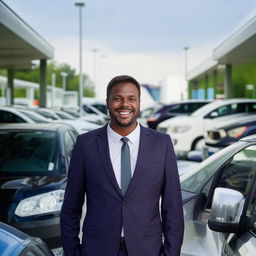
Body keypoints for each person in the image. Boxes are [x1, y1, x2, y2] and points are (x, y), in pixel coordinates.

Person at [60, 75, 184, 256]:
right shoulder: (85, 144)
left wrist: (170, 253)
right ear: (108, 102)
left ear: (139, 103)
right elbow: (71, 207)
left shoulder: (161, 144)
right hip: (97, 250)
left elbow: (172, 206)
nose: (124, 104)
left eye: (131, 99)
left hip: (147, 249)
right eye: (117, 98)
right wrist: (73, 252)